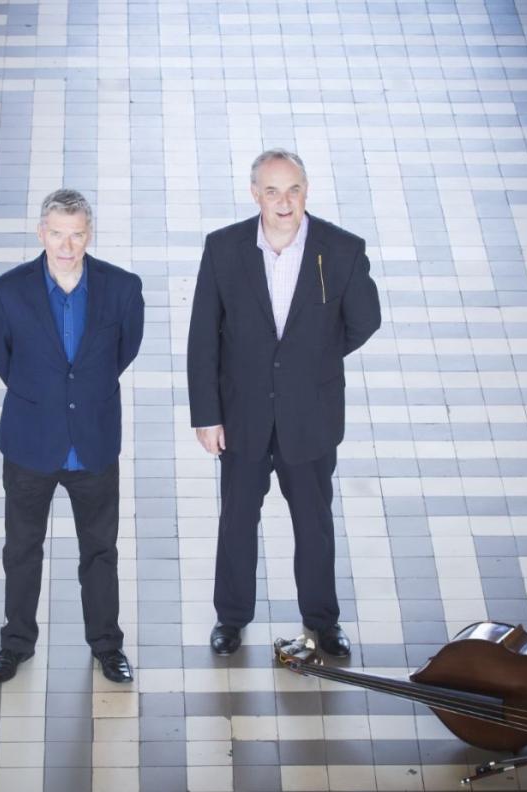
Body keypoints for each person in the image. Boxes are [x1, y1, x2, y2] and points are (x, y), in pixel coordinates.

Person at [187, 149, 381, 658]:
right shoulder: (224, 248)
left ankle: (323, 621)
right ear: (255, 195)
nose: (283, 201)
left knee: (313, 524)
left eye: (293, 189)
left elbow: (365, 319)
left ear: (306, 190)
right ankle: (230, 619)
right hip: (242, 415)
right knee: (236, 520)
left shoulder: (340, 249)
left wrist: (313, 359)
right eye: (272, 191)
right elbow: (203, 336)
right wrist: (206, 414)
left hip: (309, 416)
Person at [0, 189, 145, 684]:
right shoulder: (7, 291)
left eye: (76, 235)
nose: (67, 245)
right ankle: (15, 645)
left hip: (93, 443)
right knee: (22, 549)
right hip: (31, 443)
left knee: (100, 550)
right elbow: (0, 355)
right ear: (41, 233)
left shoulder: (122, 288)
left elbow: (125, 350)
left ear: (88, 234)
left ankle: (107, 646)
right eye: (57, 234)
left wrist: (79, 393)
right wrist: (44, 395)